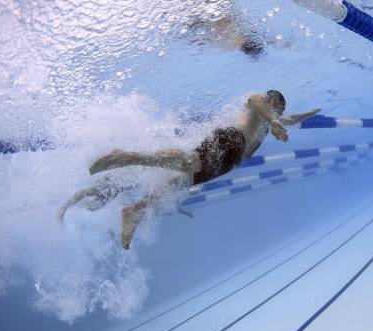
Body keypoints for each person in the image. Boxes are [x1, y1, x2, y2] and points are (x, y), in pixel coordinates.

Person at [60, 90, 321, 249]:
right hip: (229, 138)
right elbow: (257, 104)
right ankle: (125, 157)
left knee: (180, 183)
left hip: (228, 163)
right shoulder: (259, 102)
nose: (276, 111)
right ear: (270, 99)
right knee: (187, 163)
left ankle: (135, 210)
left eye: (279, 110)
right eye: (275, 105)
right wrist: (273, 120)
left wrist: (308, 114)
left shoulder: (271, 120)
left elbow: (290, 119)